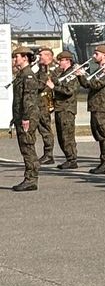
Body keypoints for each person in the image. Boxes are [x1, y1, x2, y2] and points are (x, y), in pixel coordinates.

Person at [79, 44, 105, 172]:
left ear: (104, 56)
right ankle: (103, 161)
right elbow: (87, 84)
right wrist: (81, 75)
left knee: (104, 135)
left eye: (96, 54)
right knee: (99, 135)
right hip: (96, 106)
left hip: (103, 106)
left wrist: (82, 75)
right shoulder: (98, 70)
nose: (93, 56)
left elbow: (96, 84)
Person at [10, 46, 43, 190]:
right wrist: (15, 116)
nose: (14, 59)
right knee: (25, 147)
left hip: (28, 117)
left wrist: (25, 118)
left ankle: (31, 179)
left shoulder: (27, 75)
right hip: (22, 116)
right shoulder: (21, 75)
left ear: (25, 58)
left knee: (28, 147)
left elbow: (28, 99)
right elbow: (20, 99)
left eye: (17, 56)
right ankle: (30, 177)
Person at [48, 49, 80, 168]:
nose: (59, 63)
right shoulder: (62, 73)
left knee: (67, 136)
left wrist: (54, 87)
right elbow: (54, 78)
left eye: (61, 61)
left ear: (68, 61)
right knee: (61, 136)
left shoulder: (72, 75)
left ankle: (72, 159)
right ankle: (68, 158)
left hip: (67, 108)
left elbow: (68, 91)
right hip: (60, 108)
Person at [35, 47, 57, 163]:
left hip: (45, 104)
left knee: (46, 129)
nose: (39, 56)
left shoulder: (51, 70)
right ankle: (47, 154)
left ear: (49, 56)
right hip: (39, 103)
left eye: (42, 55)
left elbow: (40, 85)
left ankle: (49, 154)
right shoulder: (41, 69)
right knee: (42, 129)